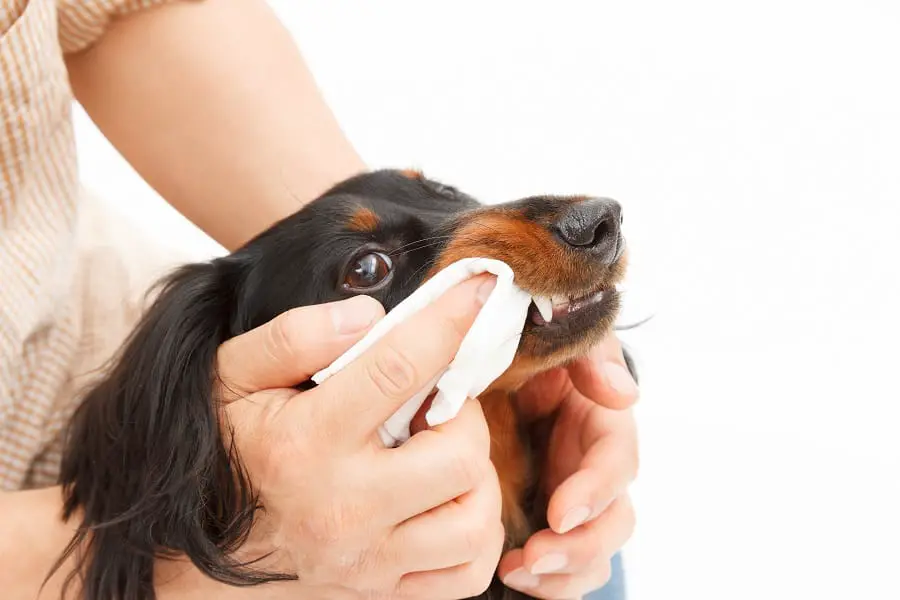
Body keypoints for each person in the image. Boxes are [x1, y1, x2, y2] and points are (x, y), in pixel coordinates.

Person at [0, 1, 639, 598]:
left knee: (579, 558)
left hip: (85, 336)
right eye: (365, 269)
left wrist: (519, 326)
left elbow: (121, 13)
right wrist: (207, 550)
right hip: (139, 493)